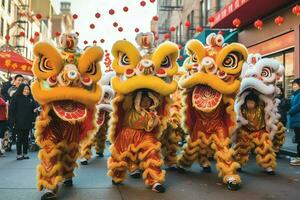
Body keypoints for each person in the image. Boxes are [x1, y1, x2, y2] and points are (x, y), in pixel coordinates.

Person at [8, 84, 36, 160]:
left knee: (26, 138)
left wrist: (35, 111)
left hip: (28, 121)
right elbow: (11, 111)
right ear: (21, 90)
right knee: (19, 138)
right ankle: (19, 154)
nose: (27, 91)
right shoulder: (16, 98)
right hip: (18, 121)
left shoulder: (30, 98)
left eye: (28, 89)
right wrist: (12, 121)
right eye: (25, 89)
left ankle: (25, 153)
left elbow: (34, 108)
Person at [289, 78, 300, 166]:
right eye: (293, 85)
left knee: (299, 140)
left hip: (298, 120)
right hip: (296, 121)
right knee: (298, 139)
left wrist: (290, 110)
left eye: (295, 85)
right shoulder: (295, 95)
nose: (293, 86)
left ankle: (299, 158)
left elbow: (297, 106)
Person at [0, 86, 8, 156]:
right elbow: (2, 104)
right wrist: (6, 103)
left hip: (3, 119)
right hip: (1, 119)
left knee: (2, 135)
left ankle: (1, 149)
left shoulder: (1, 98)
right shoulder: (1, 99)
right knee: (1, 135)